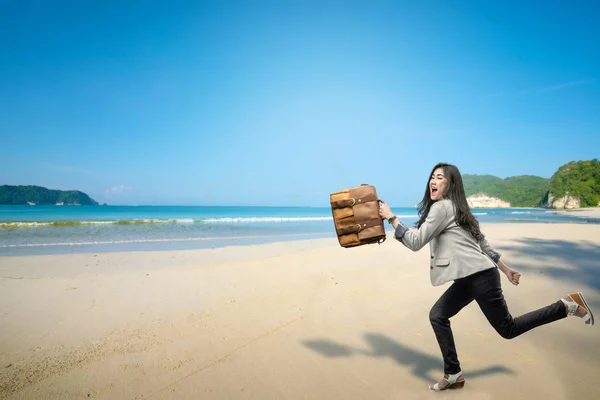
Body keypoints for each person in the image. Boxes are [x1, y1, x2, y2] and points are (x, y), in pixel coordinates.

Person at [378, 162, 595, 392]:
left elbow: (415, 242)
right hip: (470, 277)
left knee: (508, 329)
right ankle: (453, 374)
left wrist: (392, 219)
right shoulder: (458, 208)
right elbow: (481, 244)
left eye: (440, 177)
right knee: (438, 315)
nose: (433, 181)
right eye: (432, 176)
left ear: (450, 184)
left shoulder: (442, 208)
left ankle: (566, 306)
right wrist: (505, 268)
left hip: (479, 277)